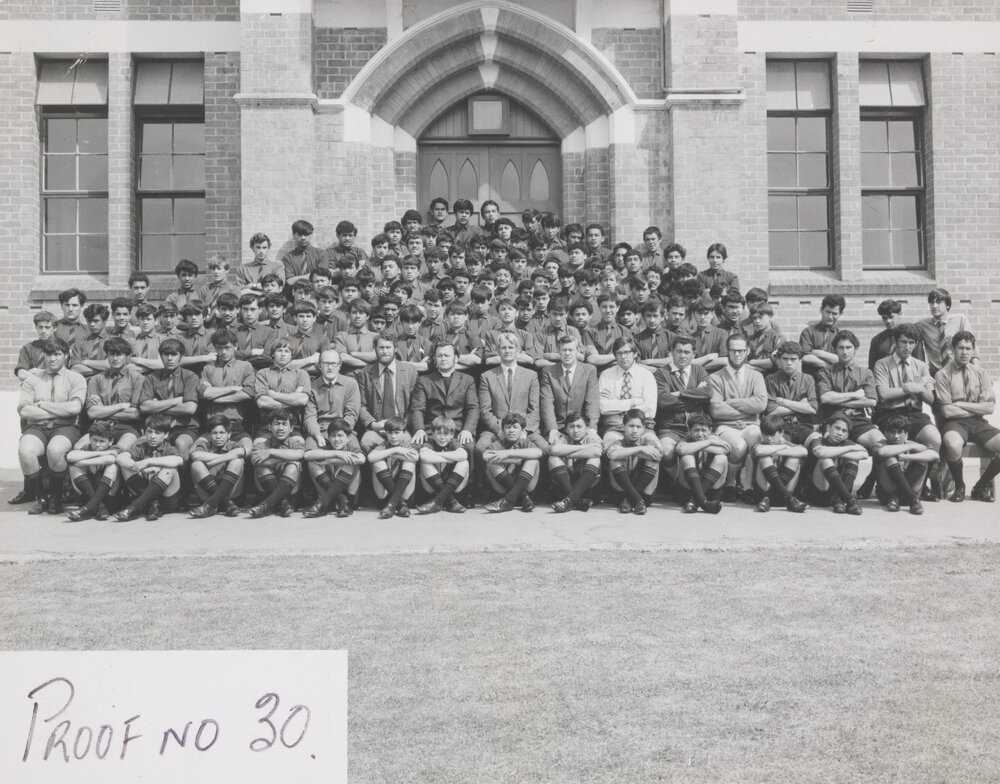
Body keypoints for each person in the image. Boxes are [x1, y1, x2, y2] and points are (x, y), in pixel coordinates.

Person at [16, 339, 86, 515]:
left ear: (66, 356)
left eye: (57, 354)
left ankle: (55, 497)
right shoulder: (33, 379)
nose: (52, 359)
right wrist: (58, 411)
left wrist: (42, 405)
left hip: (66, 428)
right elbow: (24, 410)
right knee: (26, 450)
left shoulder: (76, 378)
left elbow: (74, 408)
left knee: (55, 450)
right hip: (38, 427)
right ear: (43, 356)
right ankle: (41, 498)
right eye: (48, 354)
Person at [872, 323, 941, 498]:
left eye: (912, 342)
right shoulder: (882, 364)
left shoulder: (921, 366)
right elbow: (884, 394)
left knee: (934, 439)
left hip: (914, 414)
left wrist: (919, 389)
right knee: (888, 444)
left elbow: (930, 399)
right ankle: (891, 488)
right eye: (904, 342)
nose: (908, 347)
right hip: (889, 414)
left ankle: (920, 485)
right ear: (896, 341)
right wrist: (910, 388)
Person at [935, 331, 1000, 503]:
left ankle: (980, 486)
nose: (964, 352)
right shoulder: (943, 374)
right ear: (952, 349)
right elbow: (947, 412)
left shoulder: (981, 373)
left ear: (973, 351)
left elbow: (990, 407)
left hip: (978, 423)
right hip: (954, 423)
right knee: (952, 444)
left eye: (968, 348)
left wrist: (960, 404)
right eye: (961, 348)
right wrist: (978, 408)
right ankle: (959, 486)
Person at [708, 333, 767, 500]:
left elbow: (761, 404)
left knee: (755, 441)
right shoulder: (715, 377)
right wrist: (749, 408)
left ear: (748, 351)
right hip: (725, 426)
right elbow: (716, 410)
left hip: (751, 424)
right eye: (733, 350)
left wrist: (732, 402)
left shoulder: (756, 376)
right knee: (739, 446)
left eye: (741, 350)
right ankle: (730, 483)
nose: (737, 354)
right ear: (727, 351)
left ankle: (748, 486)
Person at [114, 414, 185, 522]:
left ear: (166, 435)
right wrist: (139, 468)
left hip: (167, 500)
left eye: (157, 433)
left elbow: (178, 460)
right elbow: (120, 458)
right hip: (146, 499)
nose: (152, 436)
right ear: (144, 433)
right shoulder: (141, 448)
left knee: (169, 469)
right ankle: (152, 502)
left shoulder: (170, 448)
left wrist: (147, 462)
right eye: (149, 431)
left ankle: (133, 508)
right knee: (125, 467)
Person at [653, 335, 711, 465]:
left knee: (711, 453)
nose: (682, 356)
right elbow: (664, 401)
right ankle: (674, 480)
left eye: (687, 352)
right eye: (679, 351)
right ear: (671, 353)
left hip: (697, 427)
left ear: (694, 354)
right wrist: (696, 398)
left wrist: (679, 393)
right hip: (671, 428)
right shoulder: (661, 373)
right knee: (666, 451)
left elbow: (707, 393)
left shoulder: (699, 371)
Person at [138, 339, 200, 459]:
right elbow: (144, 407)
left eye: (174, 354)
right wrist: (176, 401)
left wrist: (157, 406)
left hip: (184, 427)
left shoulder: (190, 377)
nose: (170, 358)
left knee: (181, 443)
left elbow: (190, 408)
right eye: (166, 354)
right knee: (139, 443)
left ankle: (182, 477)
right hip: (157, 427)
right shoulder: (151, 378)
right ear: (160, 356)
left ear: (181, 356)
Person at [356, 335, 419, 451]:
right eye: (381, 347)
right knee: (366, 441)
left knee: (409, 444)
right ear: (375, 349)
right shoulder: (365, 373)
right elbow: (361, 405)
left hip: (401, 428)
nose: (385, 351)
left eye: (388, 347)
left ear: (395, 349)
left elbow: (415, 405)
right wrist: (373, 424)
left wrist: (403, 424)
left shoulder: (410, 371)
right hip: (377, 429)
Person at [84, 336, 144, 452]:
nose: (115, 358)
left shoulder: (137, 378)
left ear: (127, 356)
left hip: (127, 427)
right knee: (79, 447)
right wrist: (122, 406)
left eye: (119, 354)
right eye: (112, 354)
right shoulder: (96, 379)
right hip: (100, 426)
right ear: (107, 356)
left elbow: (134, 413)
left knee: (121, 449)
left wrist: (102, 410)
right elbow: (92, 413)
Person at [801, 413, 868, 514]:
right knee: (825, 458)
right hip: (816, 493)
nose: (840, 433)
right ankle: (850, 500)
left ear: (847, 435)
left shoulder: (846, 443)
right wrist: (850, 449)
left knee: (853, 459)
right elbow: (821, 452)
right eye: (837, 428)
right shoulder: (818, 440)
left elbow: (864, 454)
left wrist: (841, 453)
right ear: (828, 428)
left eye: (844, 431)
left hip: (837, 494)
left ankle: (839, 499)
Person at [188, 415, 251, 518]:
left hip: (233, 496)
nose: (218, 436)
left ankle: (211, 504)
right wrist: (226, 457)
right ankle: (225, 502)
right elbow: (195, 455)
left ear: (229, 434)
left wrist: (213, 461)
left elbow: (241, 451)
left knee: (236, 462)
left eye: (222, 433)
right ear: (209, 435)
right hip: (220, 501)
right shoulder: (205, 445)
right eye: (214, 433)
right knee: (196, 464)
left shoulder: (233, 444)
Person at [248, 408, 307, 518]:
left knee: (294, 465)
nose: (280, 428)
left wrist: (271, 452)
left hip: (291, 493)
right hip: (265, 492)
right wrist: (287, 456)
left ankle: (267, 504)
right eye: (276, 424)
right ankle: (281, 503)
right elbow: (255, 459)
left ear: (291, 428)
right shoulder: (263, 444)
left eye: (284, 424)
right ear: (270, 427)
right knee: (261, 466)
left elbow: (299, 454)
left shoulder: (294, 443)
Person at [198, 329, 256, 440]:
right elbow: (204, 393)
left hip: (236, 425)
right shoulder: (208, 368)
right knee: (195, 452)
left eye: (227, 348)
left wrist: (215, 398)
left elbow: (248, 393)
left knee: (247, 450)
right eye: (219, 348)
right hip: (212, 425)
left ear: (235, 346)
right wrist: (233, 388)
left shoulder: (245, 366)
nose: (223, 352)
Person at [540, 335, 600, 442]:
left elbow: (592, 402)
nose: (567, 353)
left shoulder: (589, 370)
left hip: (581, 427)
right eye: (564, 350)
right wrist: (552, 428)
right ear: (559, 351)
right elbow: (547, 403)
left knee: (595, 450)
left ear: (577, 351)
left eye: (570, 350)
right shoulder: (548, 372)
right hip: (559, 426)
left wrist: (591, 428)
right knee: (555, 452)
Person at [302, 417, 365, 518]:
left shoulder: (351, 448)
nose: (336, 439)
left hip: (350, 496)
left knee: (351, 461)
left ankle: (327, 502)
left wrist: (332, 459)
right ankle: (341, 500)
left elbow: (361, 459)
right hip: (330, 496)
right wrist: (337, 454)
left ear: (348, 438)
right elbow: (307, 456)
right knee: (312, 462)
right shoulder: (328, 449)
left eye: (340, 436)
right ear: (328, 437)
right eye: (333, 436)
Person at [482, 413, 545, 513]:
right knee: (491, 463)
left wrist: (507, 453)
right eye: (507, 427)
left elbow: (538, 452)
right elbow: (486, 456)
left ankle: (508, 501)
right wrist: (517, 460)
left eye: (515, 427)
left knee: (533, 460)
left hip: (526, 487)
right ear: (502, 430)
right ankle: (522, 496)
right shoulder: (499, 444)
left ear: (523, 431)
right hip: (505, 491)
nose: (511, 431)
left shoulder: (525, 442)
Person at [874, 415, 937, 515]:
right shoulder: (882, 444)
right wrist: (910, 446)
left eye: (900, 432)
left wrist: (906, 457)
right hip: (887, 496)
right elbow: (882, 452)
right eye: (892, 432)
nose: (896, 436)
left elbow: (934, 455)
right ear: (886, 433)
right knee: (890, 458)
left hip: (902, 498)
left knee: (923, 458)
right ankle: (913, 499)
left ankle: (898, 496)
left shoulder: (912, 444)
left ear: (906, 434)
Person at [603, 408, 662, 514]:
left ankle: (630, 499)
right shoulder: (618, 442)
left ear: (643, 428)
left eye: (638, 427)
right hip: (620, 494)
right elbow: (613, 454)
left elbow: (658, 455)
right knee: (615, 461)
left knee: (653, 461)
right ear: (623, 427)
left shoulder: (647, 441)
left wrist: (628, 451)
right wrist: (640, 449)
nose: (634, 430)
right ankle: (636, 499)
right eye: (631, 426)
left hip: (645, 494)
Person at [748, 416, 808, 513]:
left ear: (781, 433)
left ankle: (774, 496)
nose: (769, 438)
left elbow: (804, 451)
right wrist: (783, 447)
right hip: (762, 495)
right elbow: (759, 451)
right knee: (764, 457)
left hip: (779, 496)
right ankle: (790, 499)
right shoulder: (759, 444)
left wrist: (780, 450)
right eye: (765, 434)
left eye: (772, 434)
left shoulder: (786, 443)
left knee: (794, 459)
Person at [598, 337, 657, 434]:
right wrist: (634, 402)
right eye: (619, 353)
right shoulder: (606, 375)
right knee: (612, 448)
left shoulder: (646, 375)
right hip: (614, 427)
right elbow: (602, 407)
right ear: (615, 355)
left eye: (627, 352)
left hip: (643, 427)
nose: (623, 356)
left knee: (653, 447)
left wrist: (615, 404)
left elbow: (650, 410)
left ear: (635, 354)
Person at [671, 414, 727, 514]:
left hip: (711, 490)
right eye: (696, 430)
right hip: (687, 490)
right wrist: (708, 442)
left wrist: (700, 445)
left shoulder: (716, 439)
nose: (700, 434)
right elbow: (682, 449)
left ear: (710, 430)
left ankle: (695, 501)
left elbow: (725, 450)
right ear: (690, 430)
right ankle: (703, 502)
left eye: (703, 430)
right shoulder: (686, 439)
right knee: (687, 457)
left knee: (722, 458)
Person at [65, 419, 120, 522]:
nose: (98, 444)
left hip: (109, 500)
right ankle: (98, 506)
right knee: (74, 467)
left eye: (102, 441)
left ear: (111, 441)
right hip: (87, 497)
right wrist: (101, 453)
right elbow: (70, 456)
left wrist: (82, 462)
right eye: (95, 440)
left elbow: (110, 459)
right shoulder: (86, 448)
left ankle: (89, 508)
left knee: (112, 466)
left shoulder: (114, 448)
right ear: (89, 439)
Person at [415, 415, 471, 514]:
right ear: (432, 433)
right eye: (439, 433)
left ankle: (437, 502)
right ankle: (450, 501)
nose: (442, 437)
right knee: (425, 463)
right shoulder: (430, 442)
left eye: (446, 434)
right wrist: (451, 458)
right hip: (433, 489)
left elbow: (463, 455)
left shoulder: (453, 443)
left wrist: (435, 455)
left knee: (464, 463)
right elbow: (423, 456)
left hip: (454, 488)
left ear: (452, 435)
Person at [548, 412, 603, 513]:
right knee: (553, 458)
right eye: (571, 427)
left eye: (579, 426)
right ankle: (575, 500)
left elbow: (597, 451)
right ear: (566, 429)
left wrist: (568, 453)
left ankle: (570, 500)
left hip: (587, 489)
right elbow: (554, 450)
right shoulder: (564, 438)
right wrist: (583, 448)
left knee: (595, 459)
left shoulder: (591, 438)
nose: (575, 430)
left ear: (587, 428)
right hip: (565, 487)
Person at [255, 338, 311, 435]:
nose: (283, 354)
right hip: (267, 425)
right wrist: (293, 400)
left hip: (293, 425)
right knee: (259, 447)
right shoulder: (262, 373)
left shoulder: (301, 374)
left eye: (287, 351)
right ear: (273, 353)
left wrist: (274, 395)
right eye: (279, 350)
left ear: (291, 355)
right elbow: (262, 402)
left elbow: (303, 400)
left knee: (298, 446)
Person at [367, 415, 419, 519]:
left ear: (404, 433)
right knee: (377, 462)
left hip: (406, 497)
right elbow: (370, 457)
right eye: (390, 433)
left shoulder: (407, 444)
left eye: (397, 432)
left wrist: (388, 453)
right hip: (384, 497)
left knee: (410, 462)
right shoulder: (384, 444)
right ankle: (399, 504)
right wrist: (396, 450)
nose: (393, 436)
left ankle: (393, 503)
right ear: (385, 433)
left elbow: (415, 457)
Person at [917, 287, 975, 377]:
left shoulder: (960, 320)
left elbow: (972, 350)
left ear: (947, 305)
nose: (935, 306)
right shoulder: (923, 325)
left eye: (939, 302)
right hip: (935, 374)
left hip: (959, 372)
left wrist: (977, 374)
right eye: (932, 302)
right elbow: (906, 333)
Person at [800, 295, 845, 373]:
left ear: (840, 314)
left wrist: (817, 352)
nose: (830, 316)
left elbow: (842, 359)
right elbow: (806, 358)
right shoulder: (808, 332)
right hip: (812, 380)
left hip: (834, 380)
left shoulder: (842, 336)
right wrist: (829, 365)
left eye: (834, 313)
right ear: (821, 310)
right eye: (827, 312)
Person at [282, 219, 324, 290]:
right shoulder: (288, 257)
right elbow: (290, 281)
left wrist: (297, 278)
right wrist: (310, 276)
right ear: (294, 235)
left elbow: (321, 279)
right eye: (299, 235)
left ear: (311, 235)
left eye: (306, 234)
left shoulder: (321, 254)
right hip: (297, 294)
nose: (303, 238)